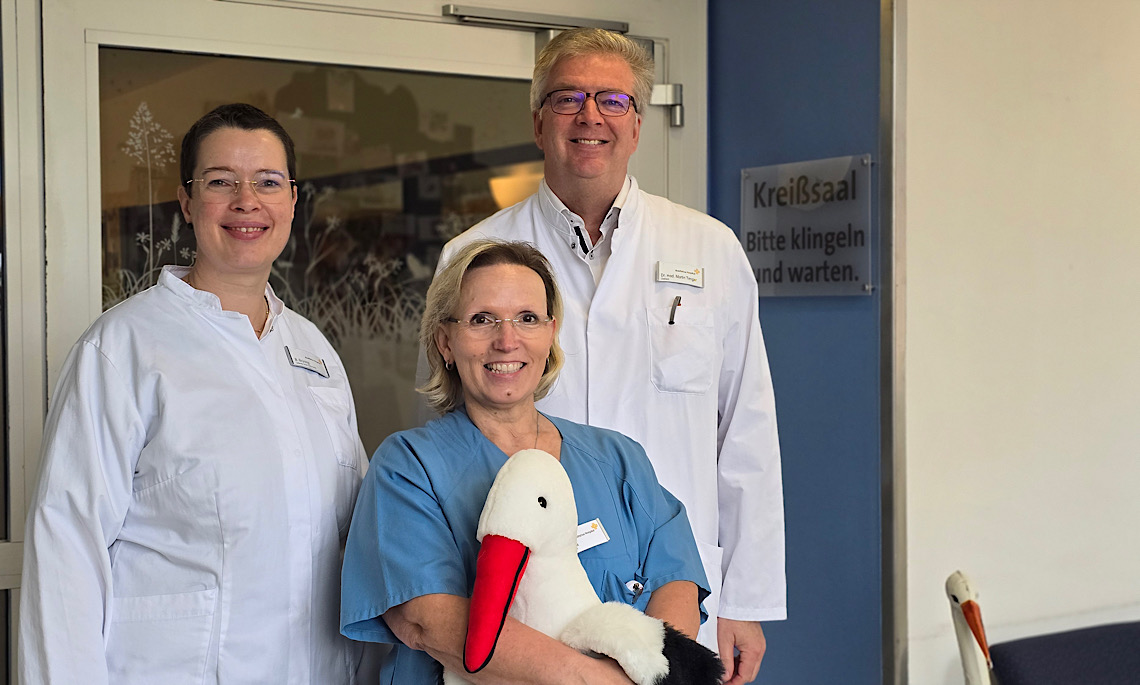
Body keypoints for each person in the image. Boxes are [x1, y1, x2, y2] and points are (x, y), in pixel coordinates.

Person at [436, 27, 785, 684]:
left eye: (613, 100)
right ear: (538, 122)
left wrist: (745, 600)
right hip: (531, 590)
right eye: (568, 98)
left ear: (638, 125)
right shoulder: (473, 256)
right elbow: (451, 437)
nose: (590, 115)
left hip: (677, 582)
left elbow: (746, 432)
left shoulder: (710, 249)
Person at [19, 103, 372, 684]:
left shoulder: (314, 351)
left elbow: (353, 531)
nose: (247, 202)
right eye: (221, 182)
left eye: (267, 182)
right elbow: (66, 550)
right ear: (186, 202)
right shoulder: (123, 348)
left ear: (292, 201)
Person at [341, 239, 710, 684]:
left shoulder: (618, 459)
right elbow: (428, 621)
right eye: (482, 319)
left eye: (528, 318)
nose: (507, 340)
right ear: (445, 342)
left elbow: (676, 579)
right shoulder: (408, 467)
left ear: (551, 335)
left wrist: (655, 671)